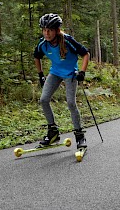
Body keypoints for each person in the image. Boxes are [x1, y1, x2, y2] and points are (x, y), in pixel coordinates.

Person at [34, 13, 90, 149]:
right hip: (55, 72)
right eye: (44, 30)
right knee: (44, 99)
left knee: (71, 103)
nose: (46, 33)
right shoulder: (43, 43)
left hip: (71, 73)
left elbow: (85, 54)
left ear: (57, 30)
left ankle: (79, 136)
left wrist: (82, 72)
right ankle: (53, 132)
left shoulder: (67, 40)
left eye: (50, 30)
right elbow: (36, 57)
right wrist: (41, 74)